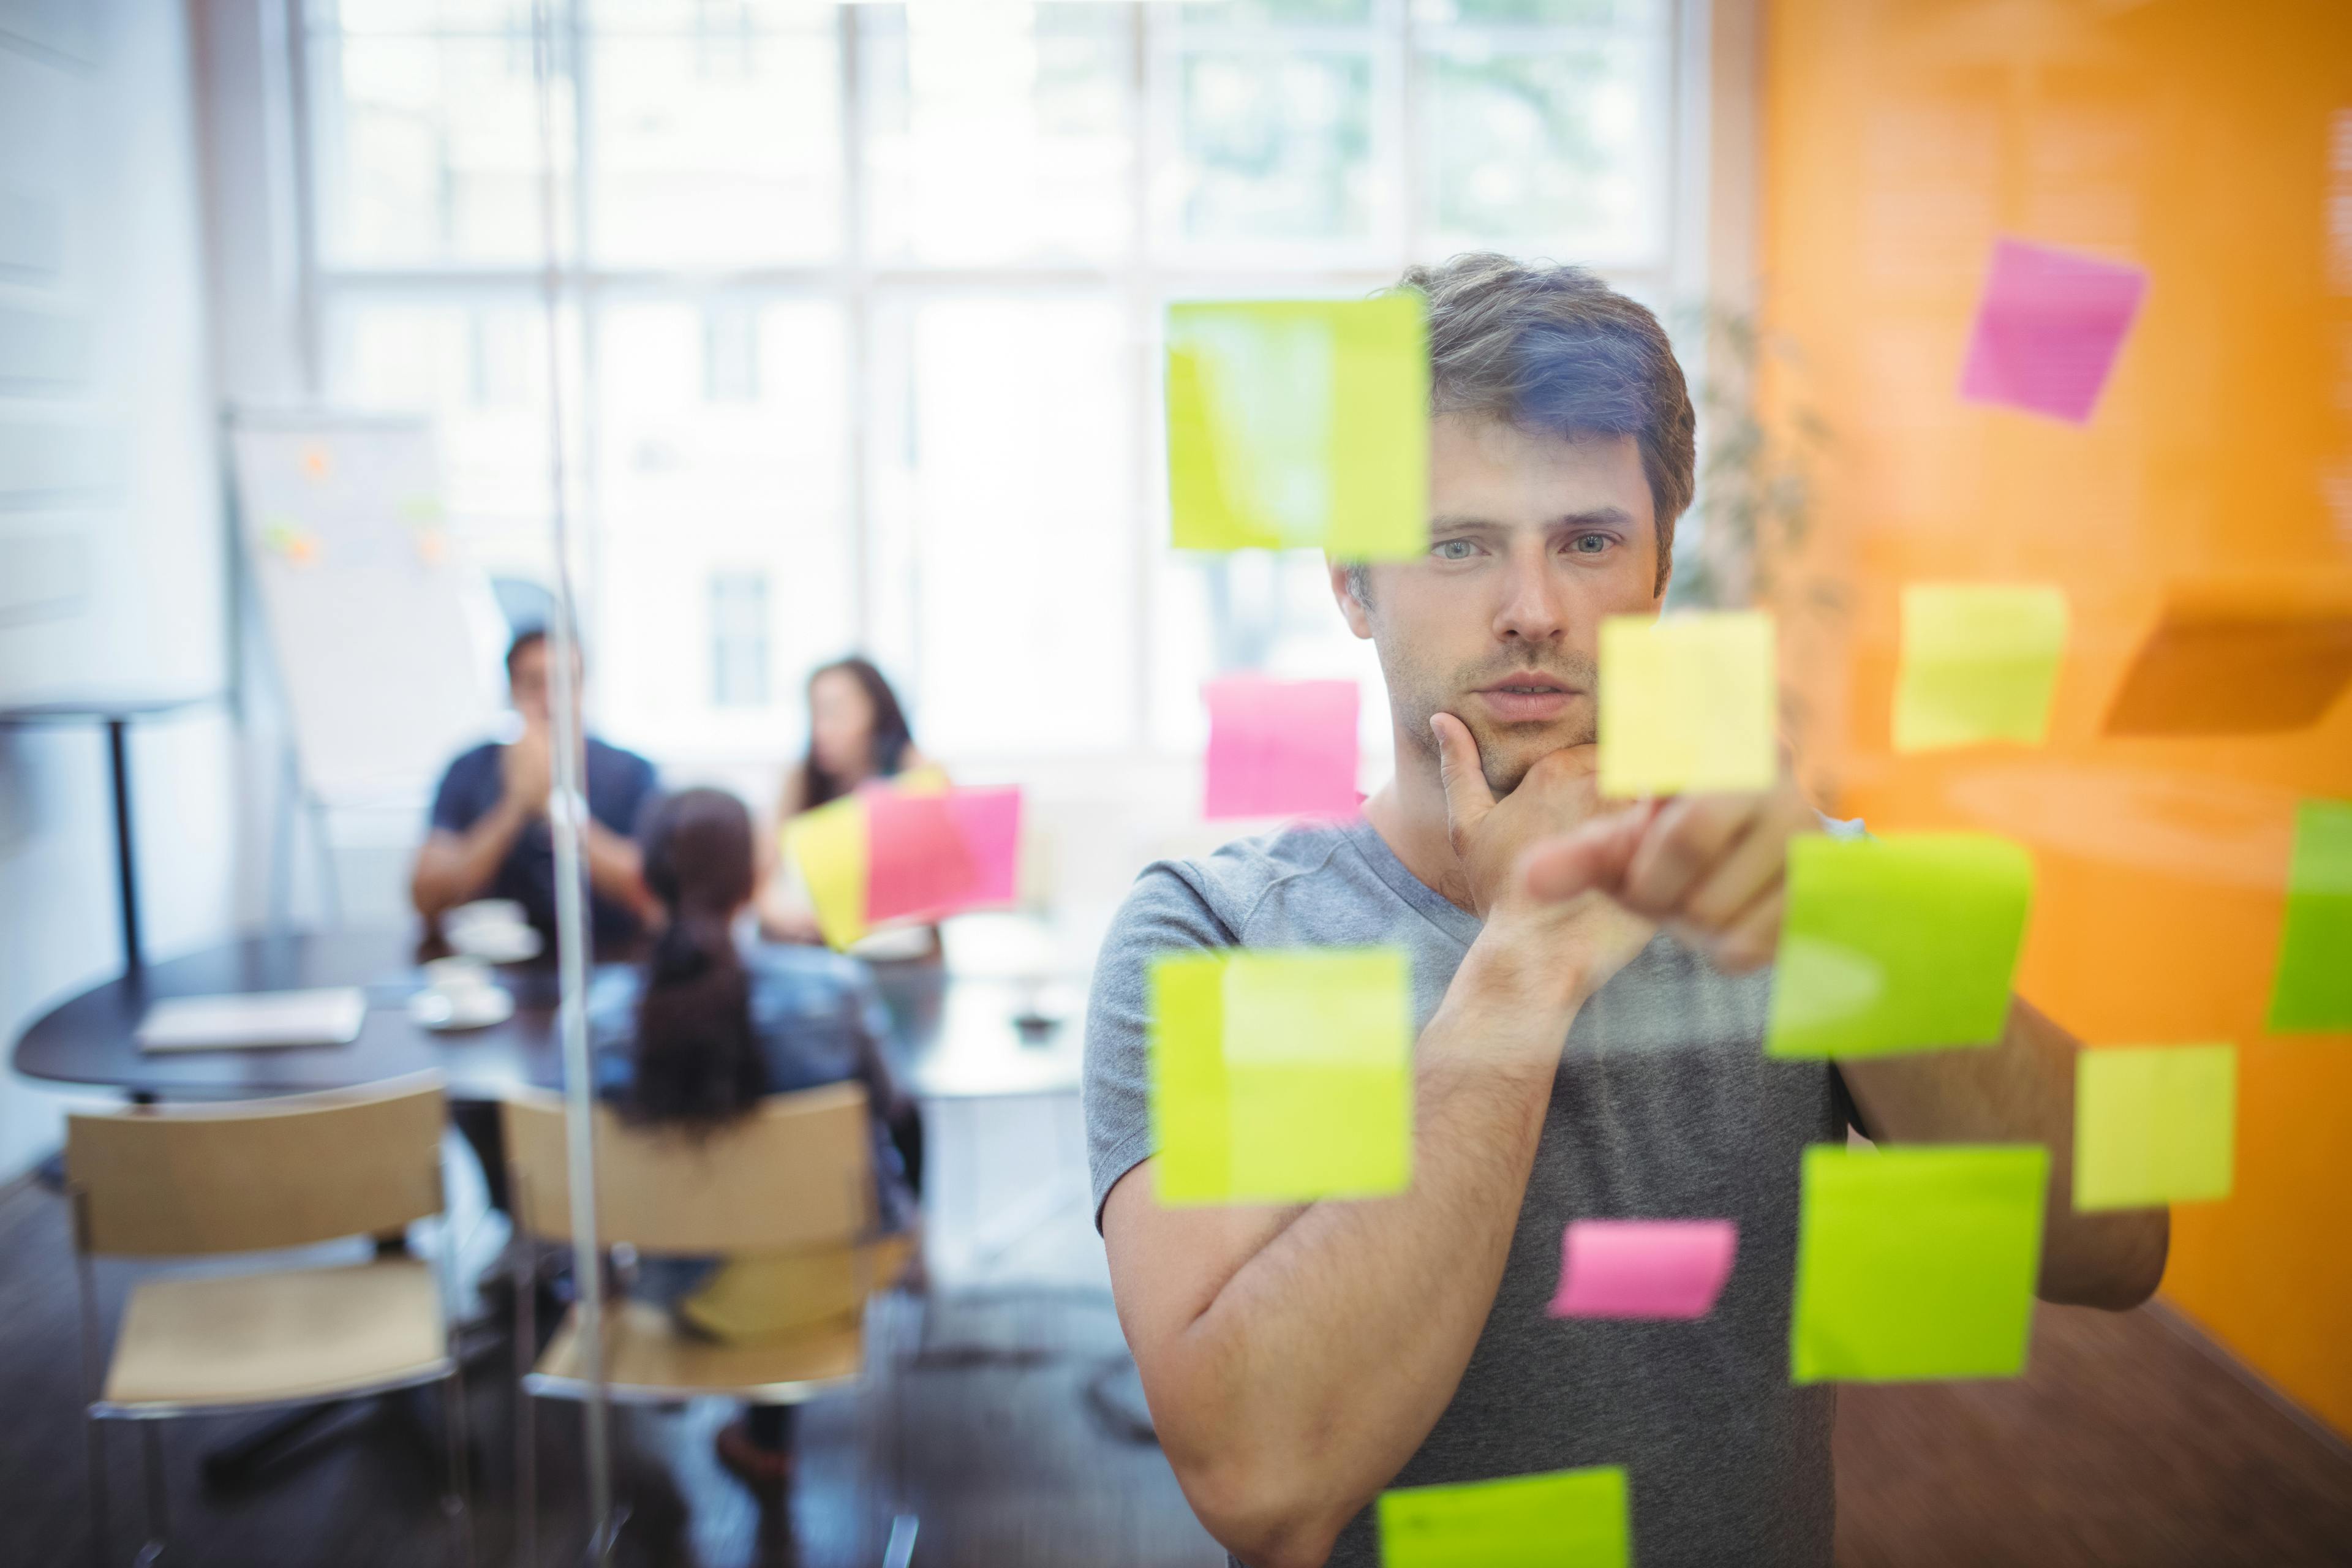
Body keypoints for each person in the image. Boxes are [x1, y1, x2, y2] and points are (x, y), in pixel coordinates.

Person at [1082, 255, 2169, 1568]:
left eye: (1588, 541)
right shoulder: (1222, 934)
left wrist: (1832, 900)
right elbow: (1263, 1476)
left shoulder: (1790, 884)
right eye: (1457, 542)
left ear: (1657, 572)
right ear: (1352, 582)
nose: (1533, 608)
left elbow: (2116, 1240)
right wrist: (1523, 961)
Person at [592, 786, 923, 1490]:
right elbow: (894, 1105)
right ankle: (769, 1438)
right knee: (806, 1208)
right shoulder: (835, 990)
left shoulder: (596, 1020)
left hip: (676, 1300)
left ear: (644, 881)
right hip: (834, 1282)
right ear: (753, 879)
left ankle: (689, 1389)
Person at [411, 626, 660, 948]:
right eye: (534, 684)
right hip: (494, 973)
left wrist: (558, 809)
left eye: (564, 683)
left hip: (611, 960)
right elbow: (427, 897)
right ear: (512, 691)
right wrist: (514, 807)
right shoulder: (470, 769)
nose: (550, 701)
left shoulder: (630, 772)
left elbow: (654, 897)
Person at [760, 655, 931, 944]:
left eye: (835, 714)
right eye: (815, 715)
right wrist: (779, 914)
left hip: (899, 952)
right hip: (812, 946)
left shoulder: (915, 776)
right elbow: (763, 883)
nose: (821, 731)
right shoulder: (800, 781)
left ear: (875, 713)